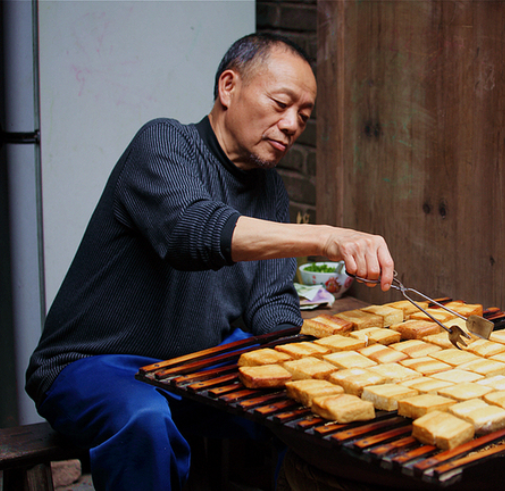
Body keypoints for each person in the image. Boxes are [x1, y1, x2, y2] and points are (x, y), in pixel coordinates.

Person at [25, 33, 394, 491]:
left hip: (195, 365)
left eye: (303, 115)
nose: (291, 124)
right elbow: (190, 230)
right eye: (281, 103)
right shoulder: (162, 144)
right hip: (96, 364)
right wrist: (325, 237)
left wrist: (305, 360)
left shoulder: (269, 187)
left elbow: (271, 301)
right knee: (145, 419)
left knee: (301, 407)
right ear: (228, 86)